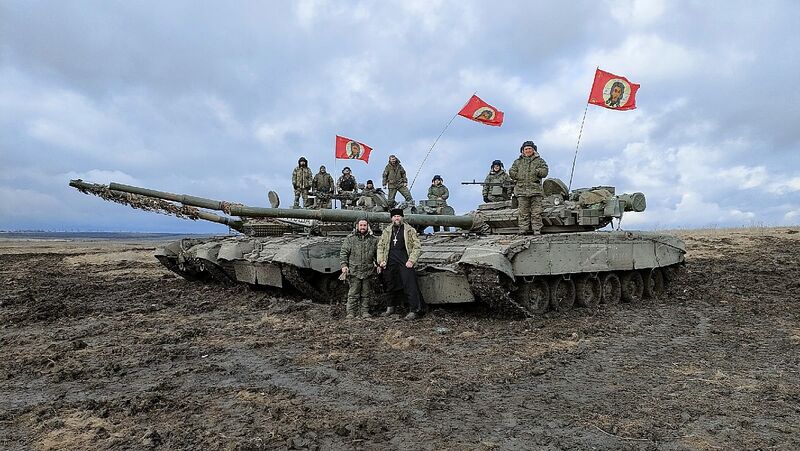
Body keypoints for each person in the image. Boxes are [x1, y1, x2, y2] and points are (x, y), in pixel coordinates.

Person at [377, 208, 424, 319]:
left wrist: (411, 260)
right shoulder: (387, 231)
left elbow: (417, 247)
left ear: (402, 217)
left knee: (410, 285)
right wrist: (381, 260)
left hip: (405, 260)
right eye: (394, 216)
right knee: (390, 284)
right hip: (390, 260)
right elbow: (381, 246)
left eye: (398, 216)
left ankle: (414, 309)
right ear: (391, 218)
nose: (396, 218)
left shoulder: (409, 230)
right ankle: (390, 307)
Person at [339, 218, 379, 319]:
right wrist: (344, 265)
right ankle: (351, 313)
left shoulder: (373, 240)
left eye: (364, 225)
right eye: (360, 225)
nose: (362, 227)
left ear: (368, 226)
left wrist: (379, 264)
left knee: (366, 293)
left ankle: (365, 312)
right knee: (353, 293)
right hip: (354, 270)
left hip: (367, 270)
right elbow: (344, 252)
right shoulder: (350, 239)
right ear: (357, 226)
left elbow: (377, 254)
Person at [509, 141, 549, 234]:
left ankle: (537, 229)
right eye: (526, 149)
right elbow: (511, 171)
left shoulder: (539, 161)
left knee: (536, 212)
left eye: (530, 149)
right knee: (523, 212)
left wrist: (537, 171)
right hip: (522, 190)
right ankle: (523, 230)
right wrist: (518, 175)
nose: (528, 150)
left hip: (535, 190)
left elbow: (545, 171)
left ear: (533, 149)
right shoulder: (518, 162)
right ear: (523, 150)